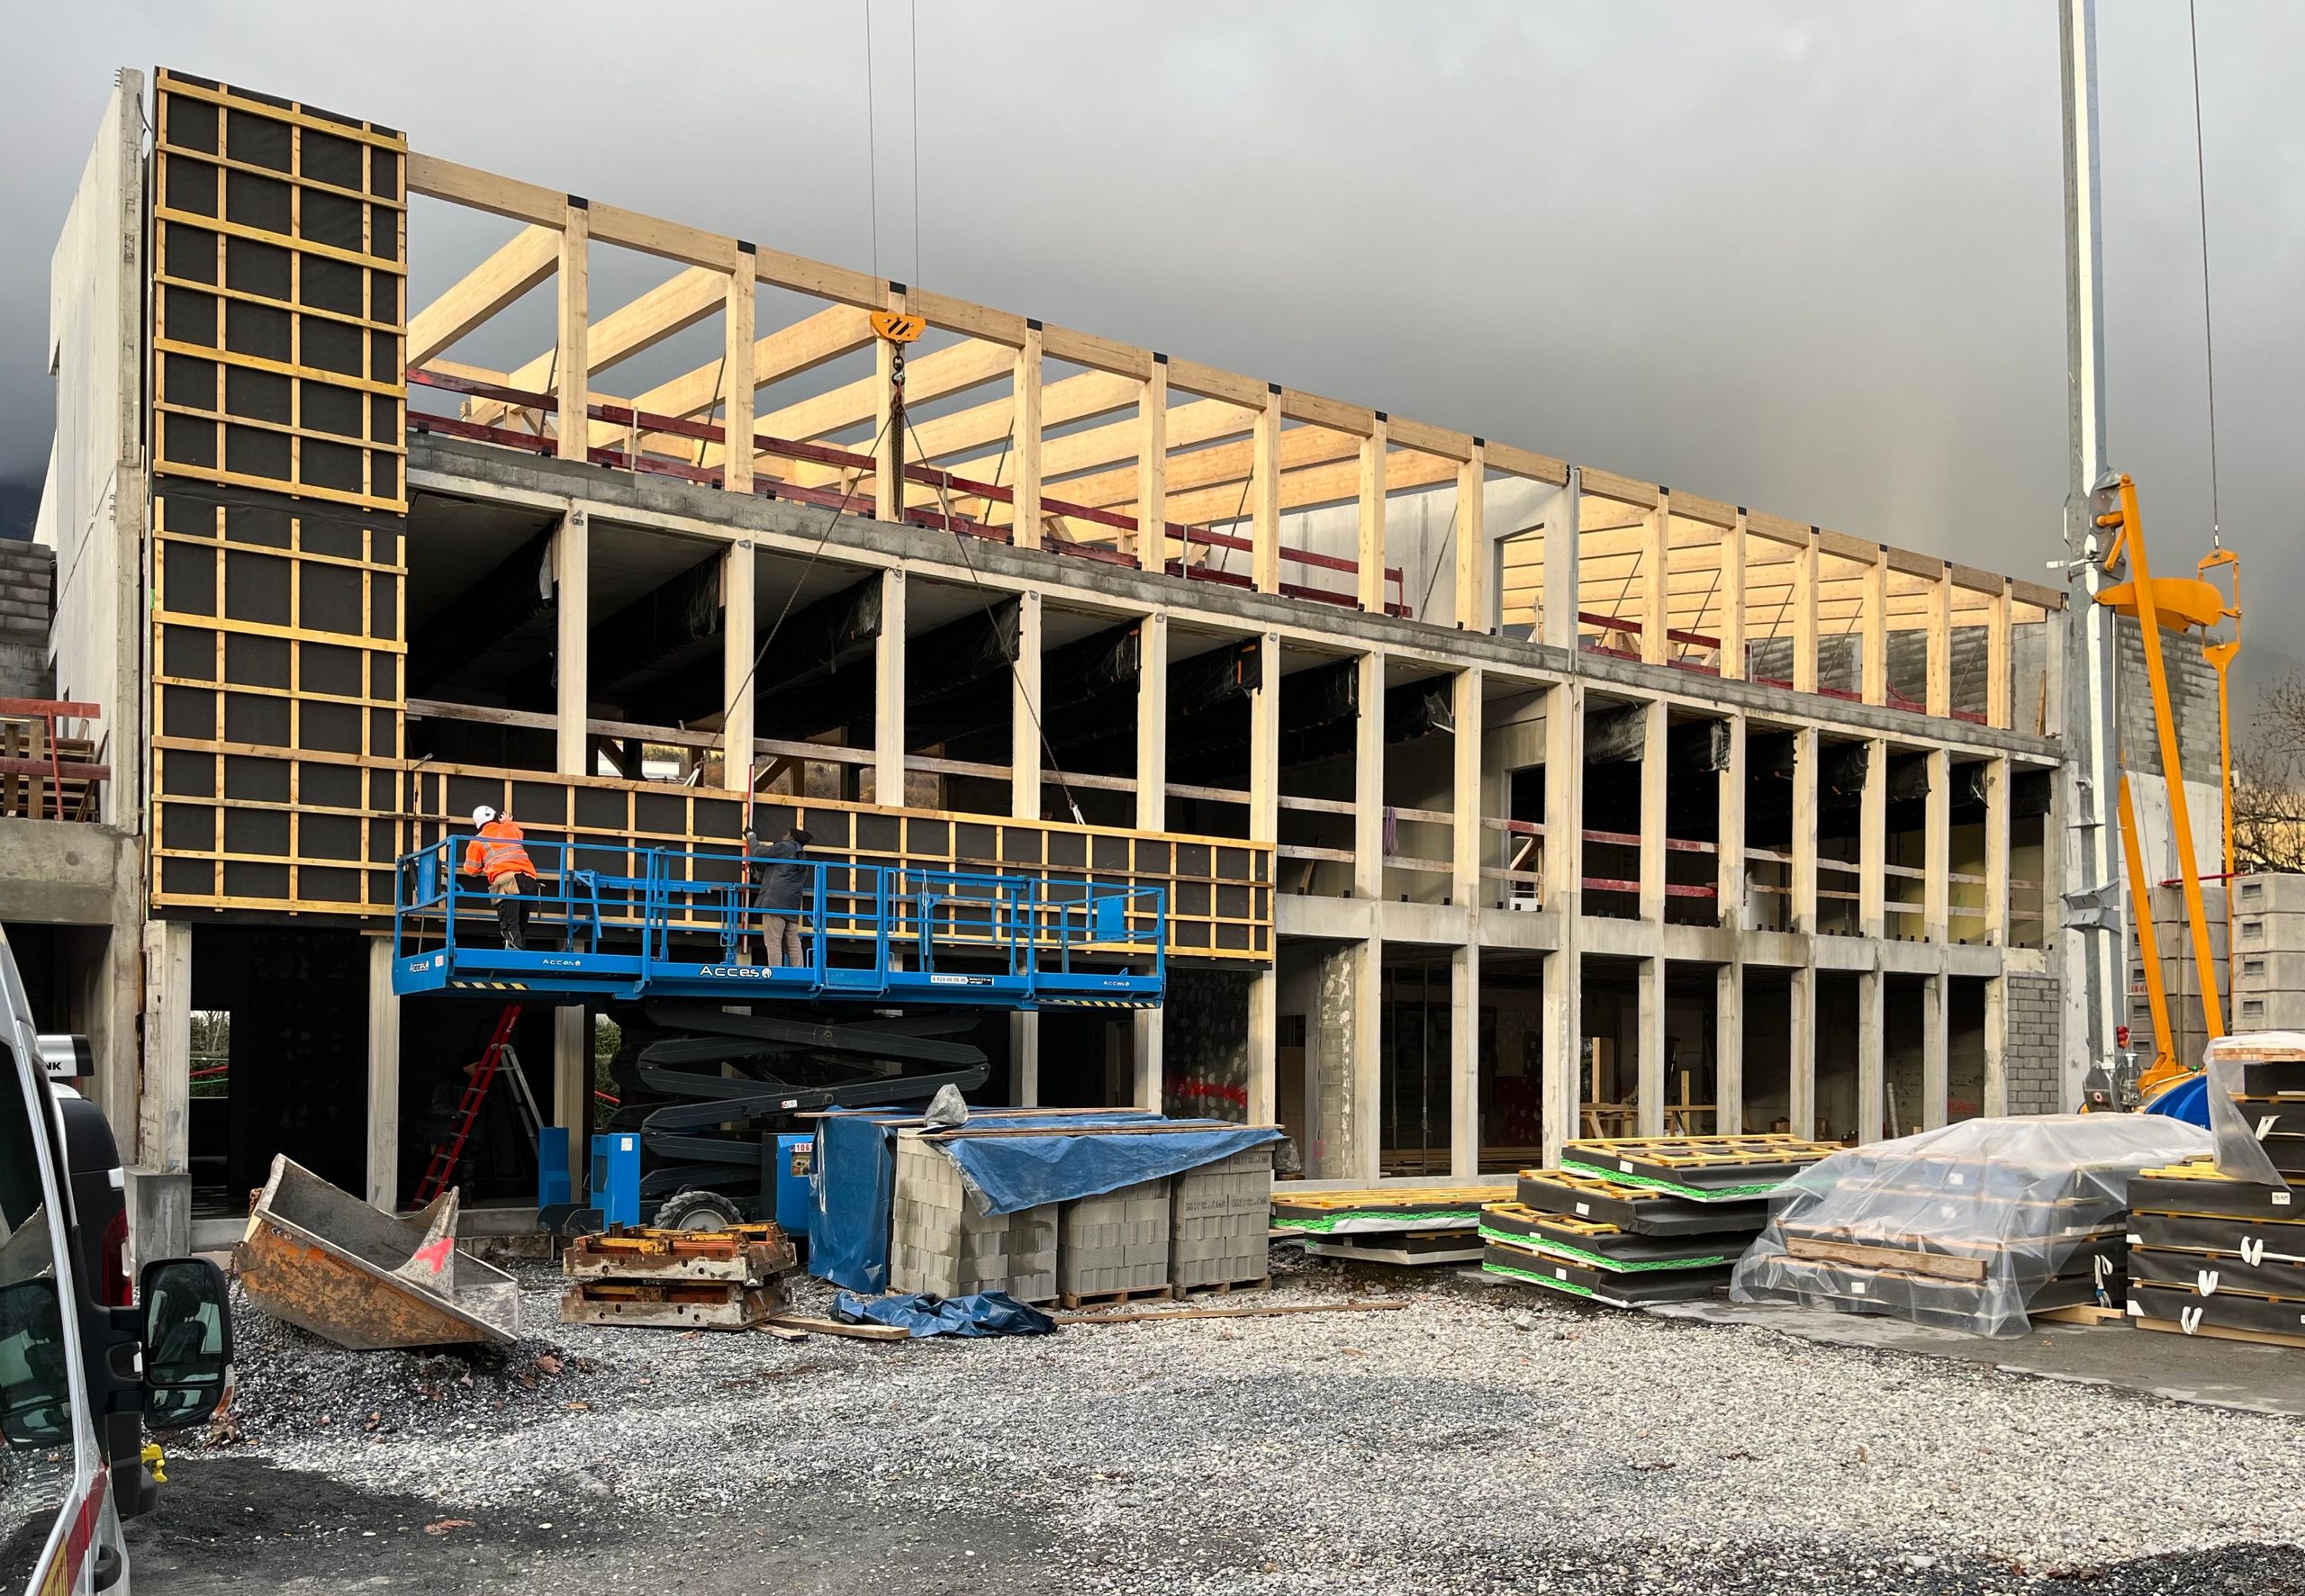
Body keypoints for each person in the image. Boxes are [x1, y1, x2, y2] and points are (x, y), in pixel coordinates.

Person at [460, 806, 537, 950]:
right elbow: (519, 832)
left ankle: (514, 959)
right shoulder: (511, 830)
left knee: (510, 925)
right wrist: (507, 821)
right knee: (521, 925)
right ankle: (521, 955)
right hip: (529, 881)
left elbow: (471, 869)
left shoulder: (478, 841)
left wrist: (485, 865)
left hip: (507, 883)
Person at [747, 825, 814, 967]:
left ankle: (775, 972)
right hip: (792, 906)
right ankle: (799, 972)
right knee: (792, 941)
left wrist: (751, 835)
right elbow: (782, 875)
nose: (783, 836)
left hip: (774, 903)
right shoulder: (802, 856)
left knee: (773, 941)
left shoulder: (785, 847)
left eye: (786, 834)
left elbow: (758, 853)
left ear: (791, 837)